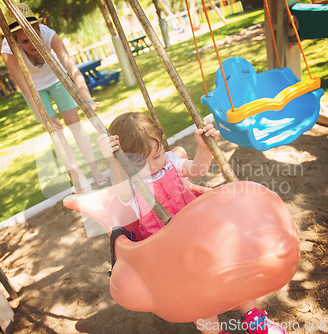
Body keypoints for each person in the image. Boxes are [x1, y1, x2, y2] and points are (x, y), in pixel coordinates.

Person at [98, 112, 286, 334]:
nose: (153, 167)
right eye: (140, 163)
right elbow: (119, 189)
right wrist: (113, 161)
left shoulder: (170, 162)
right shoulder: (130, 183)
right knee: (195, 292)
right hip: (167, 250)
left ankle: (253, 317)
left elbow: (198, 169)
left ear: (162, 144)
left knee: (234, 264)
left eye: (156, 156)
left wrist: (204, 147)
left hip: (199, 233)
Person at [1, 3, 107, 191]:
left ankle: (95, 170)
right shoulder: (8, 51)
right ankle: (78, 177)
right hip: (34, 88)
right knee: (56, 133)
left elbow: (72, 69)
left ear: (38, 28)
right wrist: (42, 117)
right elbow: (25, 88)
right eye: (24, 41)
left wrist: (87, 99)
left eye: (34, 36)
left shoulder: (50, 35)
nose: (32, 44)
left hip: (56, 77)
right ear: (15, 41)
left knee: (74, 123)